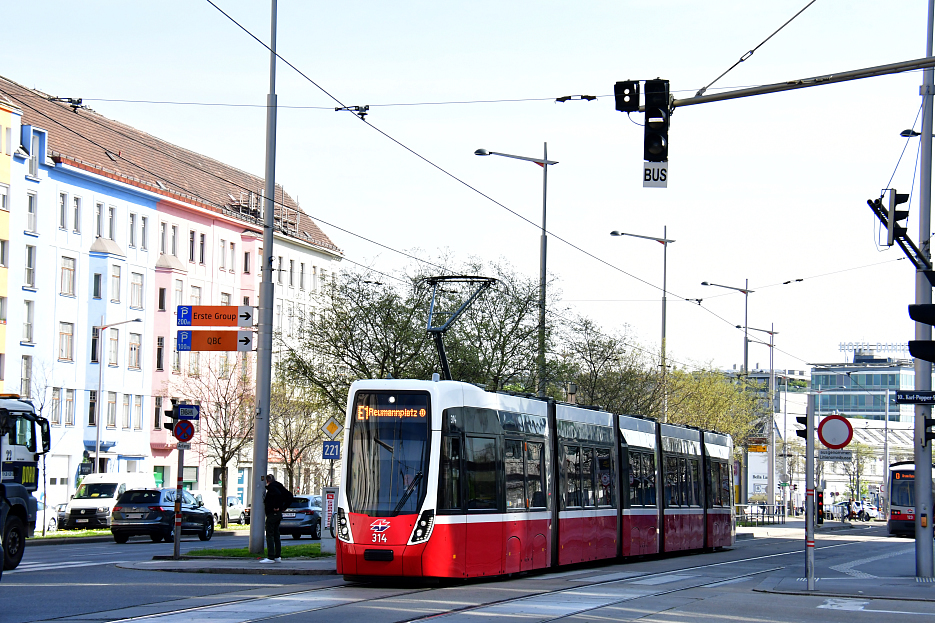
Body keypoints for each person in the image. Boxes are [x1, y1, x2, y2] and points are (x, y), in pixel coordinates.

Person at [259, 474, 292, 563]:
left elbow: (277, 495)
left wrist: (276, 506)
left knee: (270, 534)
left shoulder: (272, 488)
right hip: (278, 514)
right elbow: (290, 496)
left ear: (267, 481)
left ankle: (271, 557)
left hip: (272, 514)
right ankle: (277, 556)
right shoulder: (279, 487)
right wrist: (283, 507)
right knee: (276, 534)